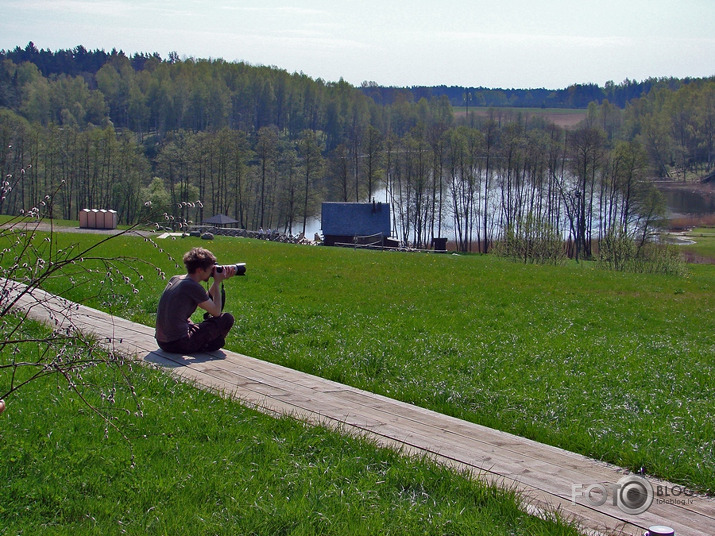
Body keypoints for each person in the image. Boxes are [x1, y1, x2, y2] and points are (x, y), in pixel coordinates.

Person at [155, 247, 236, 354]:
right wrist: (217, 283)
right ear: (200, 270)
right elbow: (216, 312)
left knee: (194, 324)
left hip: (163, 342)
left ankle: (202, 344)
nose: (212, 272)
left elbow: (204, 303)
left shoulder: (176, 279)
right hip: (178, 343)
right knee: (226, 318)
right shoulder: (192, 286)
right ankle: (208, 346)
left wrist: (216, 281)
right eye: (210, 269)